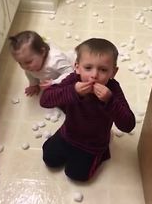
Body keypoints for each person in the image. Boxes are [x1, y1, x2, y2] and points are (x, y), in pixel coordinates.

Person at [40, 38, 135, 181]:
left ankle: (102, 153)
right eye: (88, 67)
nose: (94, 75)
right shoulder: (73, 80)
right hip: (69, 134)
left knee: (76, 174)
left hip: (93, 144)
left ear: (113, 72)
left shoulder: (113, 90)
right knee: (49, 158)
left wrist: (110, 101)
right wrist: (73, 91)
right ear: (77, 67)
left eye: (103, 70)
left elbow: (128, 125)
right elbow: (45, 100)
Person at [8, 30, 74, 96]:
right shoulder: (29, 65)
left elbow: (70, 73)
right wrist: (34, 84)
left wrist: (54, 82)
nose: (24, 66)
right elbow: (29, 74)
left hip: (73, 68)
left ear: (42, 52)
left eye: (28, 62)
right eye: (20, 63)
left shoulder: (55, 60)